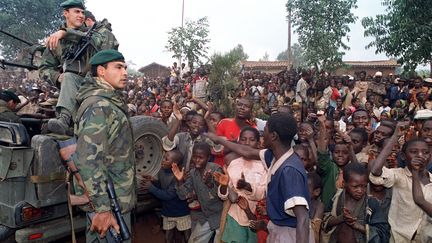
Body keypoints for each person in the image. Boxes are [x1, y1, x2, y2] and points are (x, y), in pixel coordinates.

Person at [60, 50, 135, 242]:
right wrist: (103, 209)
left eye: (125, 67)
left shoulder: (108, 101)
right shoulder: (99, 106)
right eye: (118, 67)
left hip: (111, 198)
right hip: (109, 203)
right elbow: (89, 161)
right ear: (101, 71)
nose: (125, 72)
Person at [205, 112, 313, 243]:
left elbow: (303, 219)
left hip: (292, 235)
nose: (262, 134)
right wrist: (220, 140)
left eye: (265, 130)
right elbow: (248, 151)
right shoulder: (275, 156)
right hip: (279, 230)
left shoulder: (289, 170)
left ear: (273, 136)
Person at [40, 0, 119, 135]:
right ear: (66, 14)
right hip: (72, 88)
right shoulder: (56, 41)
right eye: (77, 12)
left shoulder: (94, 33)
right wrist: (57, 77)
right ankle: (65, 122)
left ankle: (64, 119)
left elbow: (95, 40)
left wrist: (64, 33)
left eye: (82, 12)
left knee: (70, 77)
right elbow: (44, 68)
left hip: (96, 85)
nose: (81, 15)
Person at [370, 123, 432, 242]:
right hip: (397, 238)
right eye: (414, 152)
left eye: (425, 152)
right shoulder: (398, 175)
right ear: (403, 156)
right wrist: (395, 137)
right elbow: (375, 171)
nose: (420, 156)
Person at [213, 127, 267, 243]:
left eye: (252, 140)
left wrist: (247, 187)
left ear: (258, 144)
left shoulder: (264, 167)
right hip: (233, 218)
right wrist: (224, 186)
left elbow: (262, 194)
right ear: (238, 143)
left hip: (256, 219)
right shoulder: (233, 164)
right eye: (243, 139)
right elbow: (223, 196)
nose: (247, 143)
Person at [172, 142, 224, 243]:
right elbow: (183, 196)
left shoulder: (215, 169)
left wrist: (209, 184)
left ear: (208, 157)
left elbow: (222, 195)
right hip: (206, 216)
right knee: (194, 240)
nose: (197, 160)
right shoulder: (192, 173)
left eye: (201, 157)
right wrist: (179, 181)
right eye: (194, 157)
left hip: (221, 216)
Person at [142, 150, 191, 243]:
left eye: (166, 159)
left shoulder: (177, 177)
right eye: (163, 157)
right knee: (168, 237)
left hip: (181, 213)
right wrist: (154, 182)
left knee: (187, 237)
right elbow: (162, 187)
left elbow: (168, 195)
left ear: (174, 163)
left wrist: (151, 188)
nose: (163, 160)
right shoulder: (162, 171)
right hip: (168, 212)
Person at [322, 162, 368, 243]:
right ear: (344, 184)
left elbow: (381, 231)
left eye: (364, 186)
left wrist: (358, 226)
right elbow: (324, 222)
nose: (360, 190)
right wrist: (341, 218)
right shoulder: (336, 198)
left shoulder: (370, 203)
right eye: (355, 186)